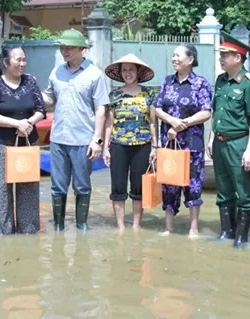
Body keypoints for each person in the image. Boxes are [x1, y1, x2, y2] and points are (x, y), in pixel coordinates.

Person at [41, 29, 109, 232]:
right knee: (57, 186)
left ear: (82, 49)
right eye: (62, 47)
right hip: (58, 138)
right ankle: (58, 228)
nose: (65, 51)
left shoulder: (95, 74)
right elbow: (50, 99)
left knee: (82, 185)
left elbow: (101, 109)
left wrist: (97, 140)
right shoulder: (56, 72)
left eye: (69, 47)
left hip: (83, 140)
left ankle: (82, 226)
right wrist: (30, 93)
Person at [207, 33, 250, 247]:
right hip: (220, 142)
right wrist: (212, 138)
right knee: (223, 189)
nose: (221, 59)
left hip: (239, 142)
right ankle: (226, 232)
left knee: (244, 191)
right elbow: (216, 113)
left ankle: (241, 237)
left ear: (238, 57)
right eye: (221, 55)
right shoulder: (221, 81)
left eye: (225, 55)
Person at [0, 46, 46, 235]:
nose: (22, 64)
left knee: (28, 190)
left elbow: (41, 109)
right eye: (18, 60)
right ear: (6, 62)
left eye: (24, 60)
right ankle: (3, 236)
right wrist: (17, 124)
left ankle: (28, 235)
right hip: (2, 145)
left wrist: (28, 123)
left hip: (27, 144)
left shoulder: (30, 81)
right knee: (1, 191)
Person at [153, 44, 212, 238]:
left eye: (178, 55)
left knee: (193, 184)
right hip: (169, 143)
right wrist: (171, 121)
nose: (174, 59)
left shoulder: (200, 83)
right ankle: (168, 228)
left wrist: (182, 124)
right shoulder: (167, 82)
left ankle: (193, 228)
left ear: (191, 59)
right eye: (173, 55)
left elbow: (206, 112)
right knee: (169, 184)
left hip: (192, 144)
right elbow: (157, 108)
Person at [102, 54, 157, 233]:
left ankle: (136, 226)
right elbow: (109, 124)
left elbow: (153, 123)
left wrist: (155, 147)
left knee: (138, 187)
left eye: (131, 69)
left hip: (142, 146)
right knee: (118, 186)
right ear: (120, 73)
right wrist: (105, 148)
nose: (128, 73)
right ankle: (120, 227)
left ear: (138, 72)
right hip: (118, 146)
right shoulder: (114, 95)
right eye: (124, 70)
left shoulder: (148, 94)